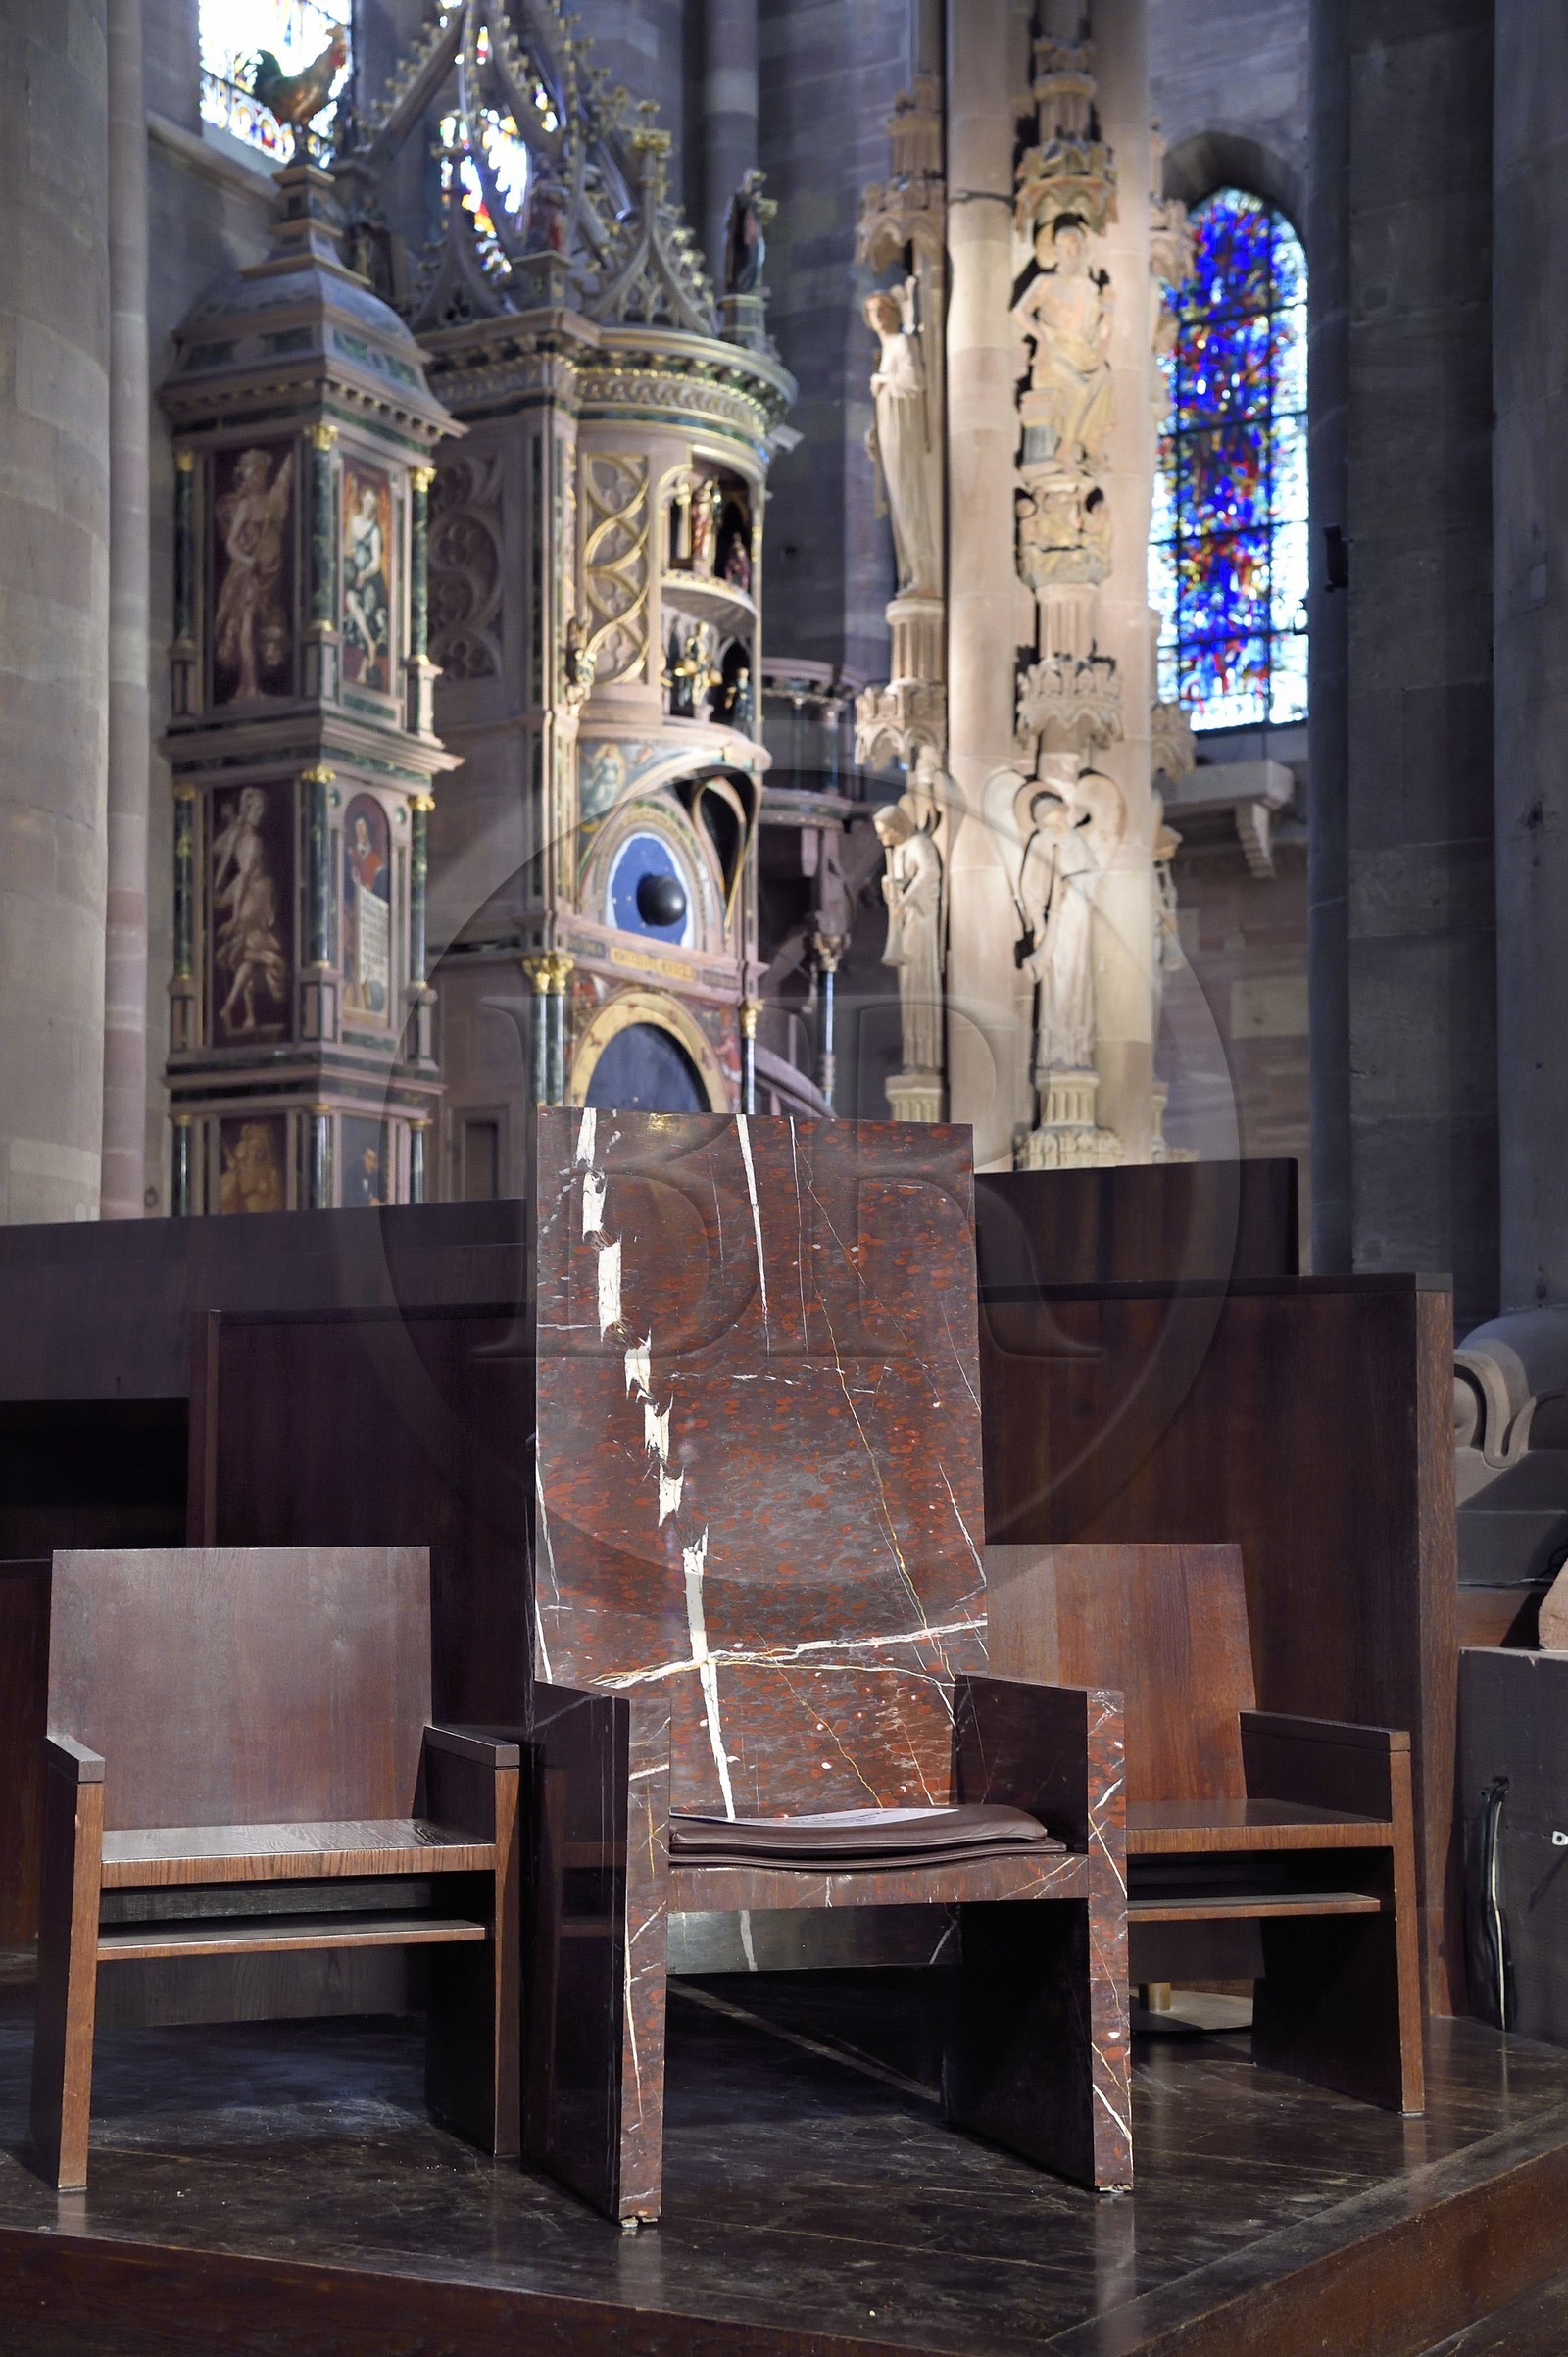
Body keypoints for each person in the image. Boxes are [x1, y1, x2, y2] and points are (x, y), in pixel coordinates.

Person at [1010, 217, 1115, 473]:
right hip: (1053, 360)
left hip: (1083, 355)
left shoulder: (1091, 289)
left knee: (1105, 377)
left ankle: (1092, 447)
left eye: (1077, 246)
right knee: (1079, 389)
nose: (1073, 252)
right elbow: (1019, 312)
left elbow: (1101, 336)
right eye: (1066, 247)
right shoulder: (1046, 283)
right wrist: (1042, 339)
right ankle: (1065, 449)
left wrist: (1110, 310)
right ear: (1056, 251)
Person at [864, 278, 941, 599]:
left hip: (905, 430)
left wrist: (882, 381)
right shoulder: (883, 351)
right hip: (889, 432)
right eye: (872, 312)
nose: (879, 316)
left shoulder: (902, 343)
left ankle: (923, 573)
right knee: (897, 502)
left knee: (909, 498)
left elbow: (914, 381)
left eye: (883, 309)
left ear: (895, 313)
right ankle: (909, 572)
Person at [214, 447, 295, 702]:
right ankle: (248, 686)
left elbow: (286, 478)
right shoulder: (247, 505)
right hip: (247, 573)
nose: (257, 477)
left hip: (270, 573)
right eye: (253, 473)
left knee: (264, 623)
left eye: (261, 473)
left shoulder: (271, 500)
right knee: (247, 622)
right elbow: (231, 544)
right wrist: (247, 559)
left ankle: (254, 685)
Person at [874, 800, 943, 1073]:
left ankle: (926, 1056)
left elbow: (930, 872)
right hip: (906, 923)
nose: (881, 837)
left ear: (898, 825)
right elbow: (901, 884)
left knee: (919, 983)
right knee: (909, 987)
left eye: (884, 831)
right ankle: (914, 1055)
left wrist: (905, 899)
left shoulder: (918, 845)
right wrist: (889, 887)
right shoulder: (900, 849)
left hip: (920, 921)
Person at [212, 787, 287, 1034]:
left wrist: (232, 822)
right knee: (253, 950)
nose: (260, 814)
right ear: (247, 810)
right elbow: (243, 877)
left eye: (262, 810)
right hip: (256, 898)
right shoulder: (251, 841)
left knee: (246, 956)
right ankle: (236, 1004)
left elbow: (229, 860)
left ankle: (248, 1016)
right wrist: (234, 915)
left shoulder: (241, 837)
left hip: (255, 896)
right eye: (255, 809)